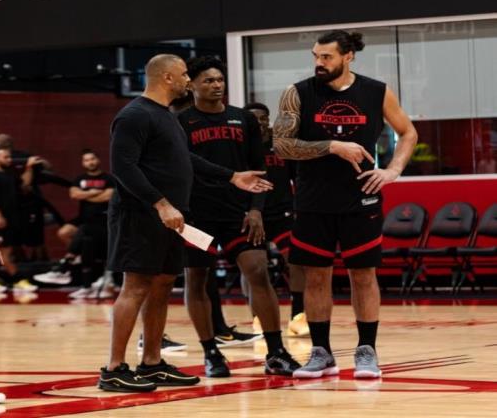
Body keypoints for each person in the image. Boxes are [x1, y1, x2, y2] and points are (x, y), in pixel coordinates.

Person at [99, 53, 273, 392]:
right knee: (136, 286)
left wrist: (232, 176)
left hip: (170, 217)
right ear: (166, 78)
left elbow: (185, 158)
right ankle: (114, 369)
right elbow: (123, 167)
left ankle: (152, 363)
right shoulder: (134, 115)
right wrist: (161, 203)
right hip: (140, 215)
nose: (187, 81)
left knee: (163, 285)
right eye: (183, 75)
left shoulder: (166, 115)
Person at [273, 30, 417, 378]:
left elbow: (408, 132)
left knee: (363, 275)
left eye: (327, 57)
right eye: (316, 56)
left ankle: (367, 350)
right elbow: (281, 144)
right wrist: (332, 146)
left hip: (361, 197)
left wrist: (393, 170)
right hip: (312, 199)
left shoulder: (376, 91)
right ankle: (321, 353)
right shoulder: (298, 92)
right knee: (316, 277)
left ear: (348, 56)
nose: (319, 63)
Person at [178, 56, 300, 378]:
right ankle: (211, 352)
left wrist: (257, 208)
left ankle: (276, 351)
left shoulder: (243, 119)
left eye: (220, 80)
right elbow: (182, 166)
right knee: (197, 279)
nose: (216, 85)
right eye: (209, 80)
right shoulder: (181, 122)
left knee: (258, 270)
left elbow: (259, 168)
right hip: (197, 216)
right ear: (192, 85)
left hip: (238, 213)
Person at [243, 102, 309, 337]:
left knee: (296, 261)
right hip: (252, 216)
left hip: (282, 213)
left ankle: (298, 315)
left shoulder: (281, 145)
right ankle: (258, 317)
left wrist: (300, 207)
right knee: (253, 268)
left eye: (263, 118)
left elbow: (298, 178)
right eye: (254, 119)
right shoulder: (240, 147)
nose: (260, 123)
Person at [34, 150, 115, 297]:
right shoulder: (80, 179)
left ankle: (66, 265)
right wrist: (95, 192)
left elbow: (107, 196)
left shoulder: (109, 178)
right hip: (84, 218)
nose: (90, 162)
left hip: (103, 220)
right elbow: (74, 194)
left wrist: (86, 194)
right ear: (83, 163)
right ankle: (74, 258)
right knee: (64, 232)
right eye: (87, 160)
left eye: (92, 159)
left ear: (98, 160)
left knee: (86, 233)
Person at [0, 148, 41, 292]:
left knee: (6, 252)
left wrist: (29, 167)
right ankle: (18, 280)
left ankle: (7, 280)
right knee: (4, 253)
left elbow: (24, 185)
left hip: (11, 219)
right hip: (0, 220)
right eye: (5, 157)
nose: (9, 160)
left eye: (9, 157)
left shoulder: (9, 175)